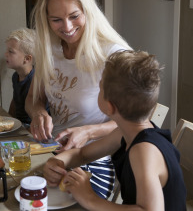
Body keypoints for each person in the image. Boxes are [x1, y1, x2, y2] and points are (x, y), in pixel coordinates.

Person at [25, 0, 131, 198]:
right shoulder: (49, 48)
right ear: (46, 19)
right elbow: (33, 98)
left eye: (74, 16)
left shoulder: (113, 55)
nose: (67, 27)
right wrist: (38, 112)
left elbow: (134, 122)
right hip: (51, 150)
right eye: (56, 20)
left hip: (96, 158)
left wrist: (88, 131)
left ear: (87, 12)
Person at [43, 50, 186, 210]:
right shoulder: (127, 133)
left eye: (100, 87)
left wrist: (89, 198)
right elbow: (83, 154)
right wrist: (57, 161)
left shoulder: (144, 151)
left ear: (110, 107)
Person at [4, 28, 36, 126]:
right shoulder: (16, 76)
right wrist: (8, 119)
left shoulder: (34, 80)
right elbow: (15, 101)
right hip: (18, 123)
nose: (5, 54)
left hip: (30, 127)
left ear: (27, 58)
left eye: (11, 51)